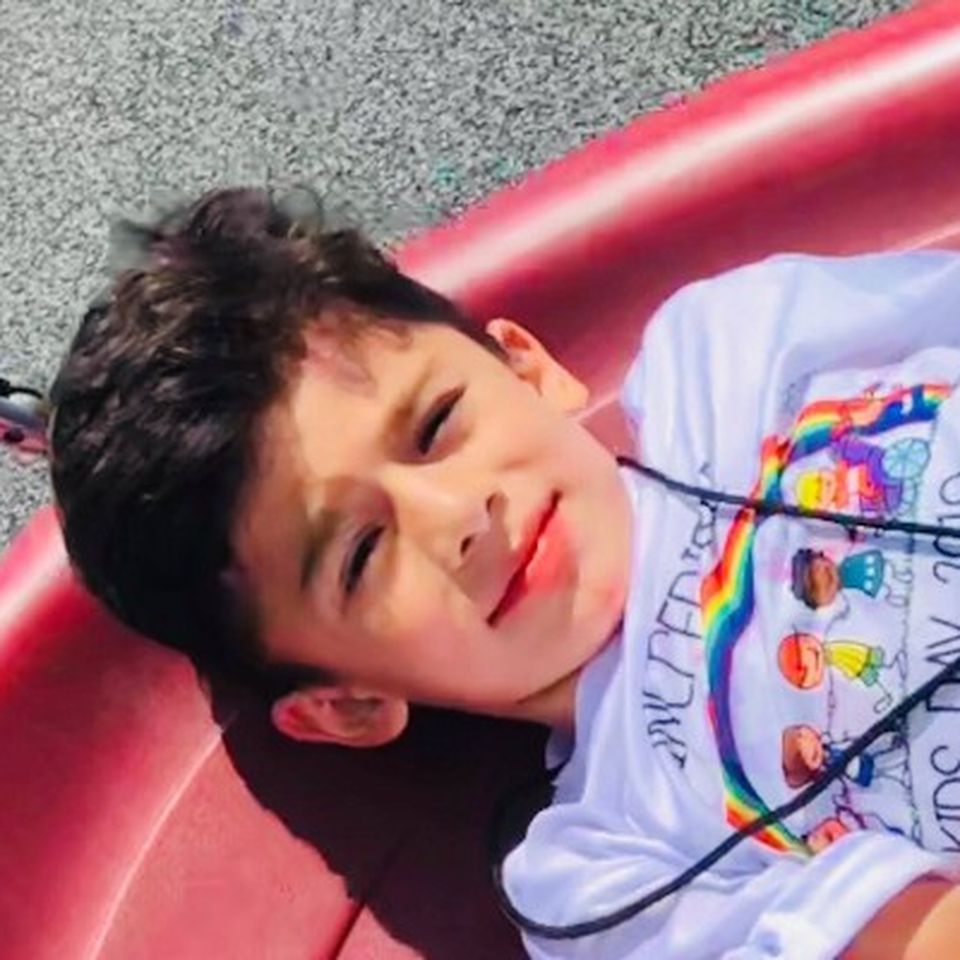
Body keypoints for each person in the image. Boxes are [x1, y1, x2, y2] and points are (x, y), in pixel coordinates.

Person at [49, 187, 960, 959]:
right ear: (348, 705)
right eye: (362, 555)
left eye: (436, 426)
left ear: (528, 369)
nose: (457, 517)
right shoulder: (599, 877)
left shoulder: (731, 355)